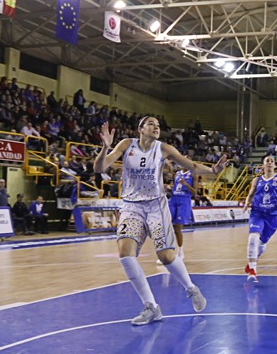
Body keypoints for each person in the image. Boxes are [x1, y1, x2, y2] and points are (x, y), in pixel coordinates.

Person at [93, 117, 227, 326]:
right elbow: (99, 167)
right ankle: (151, 307)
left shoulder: (163, 148)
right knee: (125, 255)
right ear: (140, 129)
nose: (156, 127)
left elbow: (191, 165)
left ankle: (191, 288)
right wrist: (105, 148)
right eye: (151, 124)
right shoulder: (126, 145)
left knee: (165, 256)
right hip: (131, 206)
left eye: (157, 125)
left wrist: (213, 171)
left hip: (156, 205)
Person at [243, 155, 277, 283]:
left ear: (275, 165)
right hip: (257, 213)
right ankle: (253, 271)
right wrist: (247, 202)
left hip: (272, 216)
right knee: (253, 239)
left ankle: (252, 261)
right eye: (267, 161)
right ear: (263, 165)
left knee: (261, 244)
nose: (270, 163)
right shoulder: (256, 180)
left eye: (272, 161)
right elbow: (250, 195)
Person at [167, 164, 196, 261]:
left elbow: (195, 192)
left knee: (177, 228)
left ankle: (180, 252)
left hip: (184, 201)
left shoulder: (193, 174)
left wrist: (186, 184)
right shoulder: (177, 173)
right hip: (173, 200)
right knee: (166, 226)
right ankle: (166, 252)